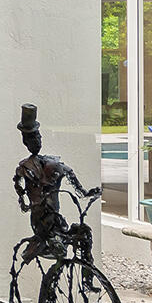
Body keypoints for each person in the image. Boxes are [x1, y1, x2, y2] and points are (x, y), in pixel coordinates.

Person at [12, 103, 98, 267]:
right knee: (59, 248)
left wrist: (90, 193)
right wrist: (26, 202)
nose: (36, 141)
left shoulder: (54, 165)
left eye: (37, 137)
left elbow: (79, 189)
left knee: (84, 233)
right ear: (26, 142)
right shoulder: (24, 169)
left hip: (56, 221)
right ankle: (51, 287)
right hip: (42, 224)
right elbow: (19, 189)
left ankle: (87, 281)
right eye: (32, 138)